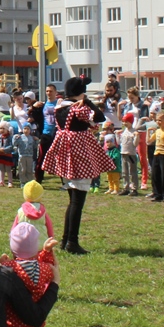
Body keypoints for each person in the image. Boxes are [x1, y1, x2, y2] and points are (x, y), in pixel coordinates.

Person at [41, 78, 114, 254]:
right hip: (79, 154)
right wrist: (87, 102)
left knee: (72, 200)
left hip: (65, 155)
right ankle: (72, 242)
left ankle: (66, 239)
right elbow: (100, 117)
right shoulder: (79, 108)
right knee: (77, 201)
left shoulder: (60, 107)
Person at [118, 117, 140, 196]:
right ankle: (126, 187)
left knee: (132, 172)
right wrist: (118, 135)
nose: (124, 123)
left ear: (131, 122)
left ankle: (134, 188)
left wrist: (136, 136)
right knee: (124, 172)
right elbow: (120, 142)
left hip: (131, 154)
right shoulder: (124, 131)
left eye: (126, 122)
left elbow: (135, 144)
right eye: (123, 122)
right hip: (123, 153)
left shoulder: (134, 131)